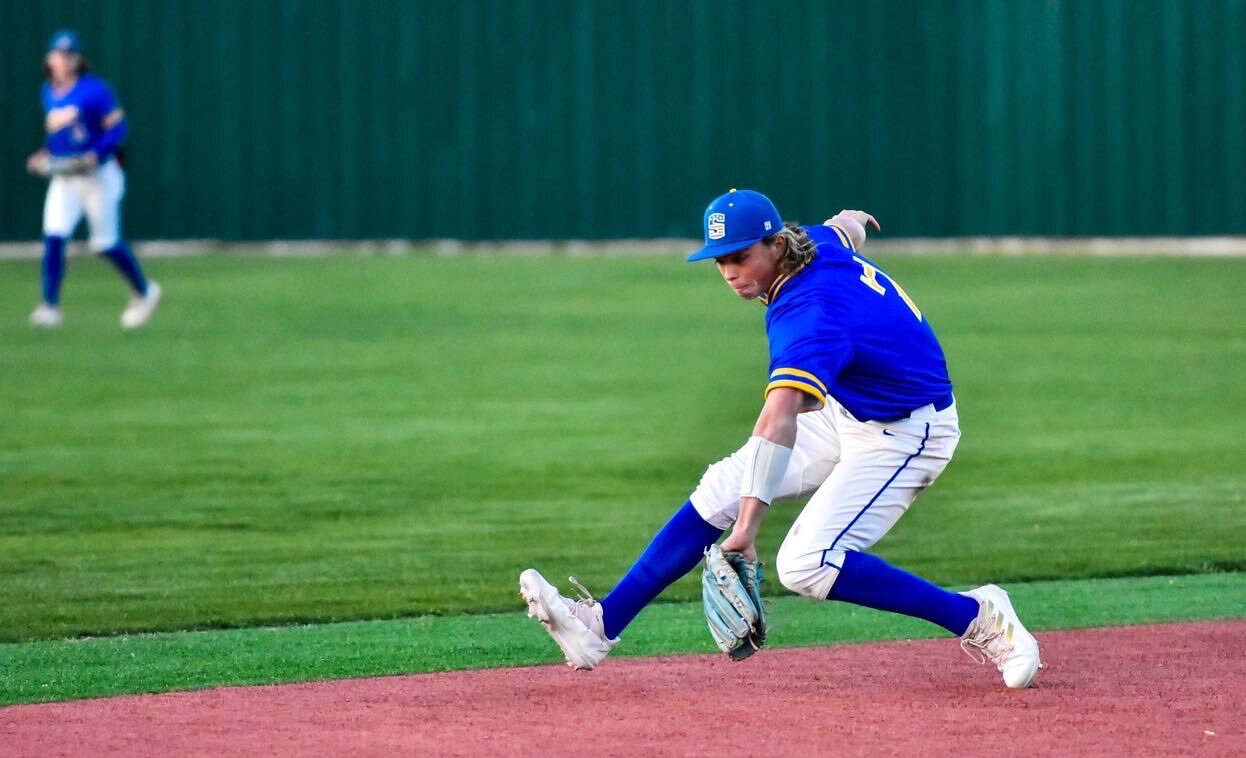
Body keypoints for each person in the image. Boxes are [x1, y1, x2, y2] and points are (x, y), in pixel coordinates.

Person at [520, 188, 1042, 688]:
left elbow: (778, 418)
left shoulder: (805, 314)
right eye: (719, 261)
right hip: (853, 411)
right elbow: (842, 230)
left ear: (774, 245)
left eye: (740, 257)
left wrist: (747, 529)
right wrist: (854, 219)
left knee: (806, 563)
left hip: (909, 433)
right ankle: (599, 627)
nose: (729, 273)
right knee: (722, 485)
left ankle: (978, 615)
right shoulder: (810, 243)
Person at [25, 30, 161, 329]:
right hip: (66, 175)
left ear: (78, 59)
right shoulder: (48, 91)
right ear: (49, 59)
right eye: (58, 55)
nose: (63, 61)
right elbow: (58, 138)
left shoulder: (94, 90)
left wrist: (94, 156)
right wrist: (43, 154)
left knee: (105, 244)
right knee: (54, 234)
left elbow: (118, 129)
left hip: (98, 176)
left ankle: (145, 291)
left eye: (68, 55)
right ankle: (50, 306)